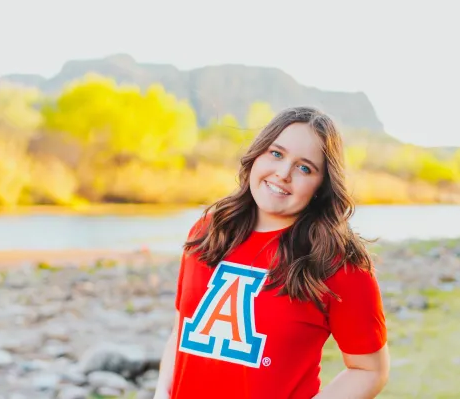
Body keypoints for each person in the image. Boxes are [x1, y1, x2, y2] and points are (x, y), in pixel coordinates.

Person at [153, 106, 389, 399]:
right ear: (257, 154)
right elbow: (182, 331)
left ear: (321, 185)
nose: (283, 173)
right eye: (276, 154)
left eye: (305, 168)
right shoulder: (208, 232)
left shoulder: (336, 262)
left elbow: (369, 370)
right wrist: (162, 391)